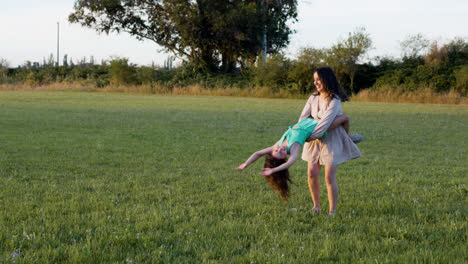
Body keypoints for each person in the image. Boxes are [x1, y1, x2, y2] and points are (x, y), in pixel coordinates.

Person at [236, 113, 361, 202]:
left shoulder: (276, 146)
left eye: (277, 150)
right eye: (281, 153)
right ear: (284, 157)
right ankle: (348, 139)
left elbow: (258, 153)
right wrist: (274, 170)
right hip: (319, 127)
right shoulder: (294, 147)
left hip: (309, 120)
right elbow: (291, 161)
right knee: (345, 117)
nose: (280, 149)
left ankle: (347, 138)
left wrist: (246, 164)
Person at [299, 66, 361, 215]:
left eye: (318, 80)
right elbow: (302, 118)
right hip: (313, 140)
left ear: (326, 80)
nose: (316, 83)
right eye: (314, 80)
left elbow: (325, 124)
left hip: (330, 140)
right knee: (311, 173)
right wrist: (301, 133)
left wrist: (307, 137)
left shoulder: (335, 100)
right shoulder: (313, 98)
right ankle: (316, 206)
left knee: (328, 176)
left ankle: (332, 211)